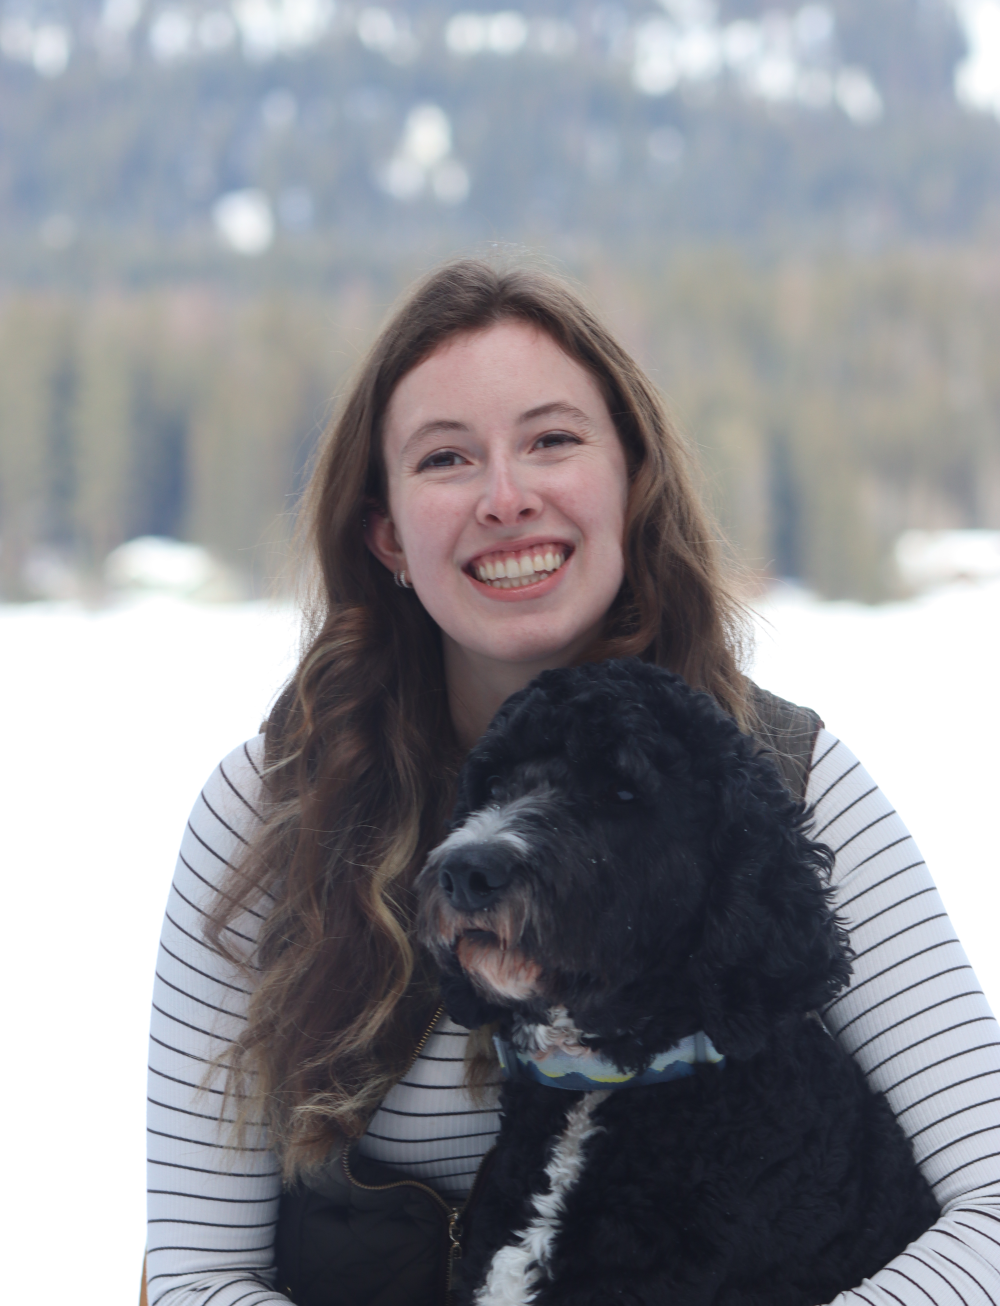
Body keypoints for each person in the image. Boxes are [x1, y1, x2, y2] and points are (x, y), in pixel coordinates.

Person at [146, 258, 1000, 1306]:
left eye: (551, 440)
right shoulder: (268, 812)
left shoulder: (786, 778)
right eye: (446, 458)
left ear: (631, 481)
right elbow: (198, 1274)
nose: (506, 498)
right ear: (388, 538)